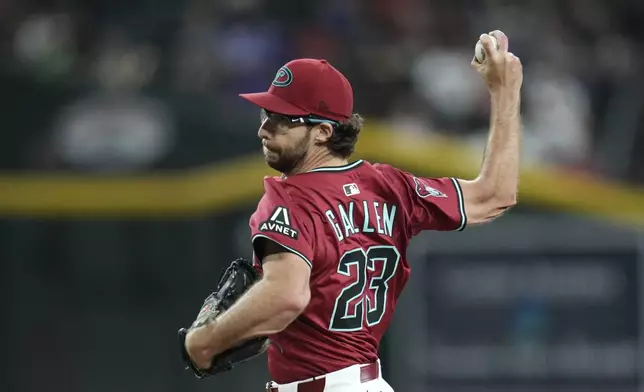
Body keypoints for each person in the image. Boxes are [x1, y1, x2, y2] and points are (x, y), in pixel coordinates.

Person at [183, 30, 523, 392]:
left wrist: (204, 342)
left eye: (284, 119)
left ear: (324, 132)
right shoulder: (390, 186)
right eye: (267, 113)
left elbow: (286, 296)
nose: (264, 128)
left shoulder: (291, 197)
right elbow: (494, 195)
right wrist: (505, 93)